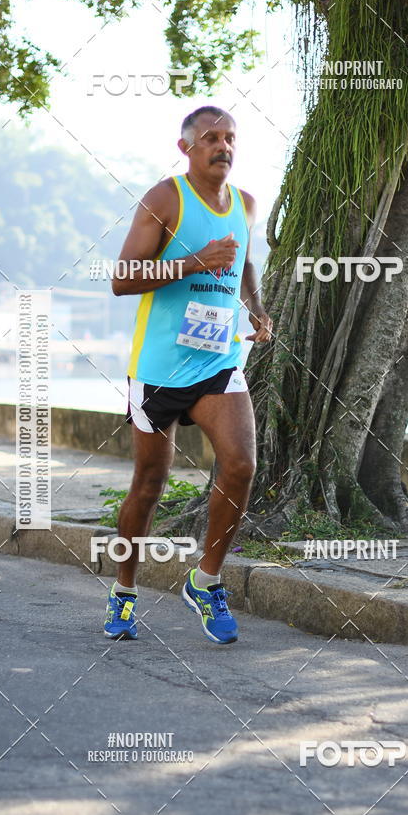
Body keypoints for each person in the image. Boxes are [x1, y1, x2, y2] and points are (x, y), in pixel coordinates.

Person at [104, 106, 272, 644]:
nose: (223, 146)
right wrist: (194, 262)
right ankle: (124, 593)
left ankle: (206, 581)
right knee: (149, 484)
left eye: (230, 138)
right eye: (211, 138)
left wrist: (256, 307)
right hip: (158, 369)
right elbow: (123, 278)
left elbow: (242, 261)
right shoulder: (165, 198)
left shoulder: (244, 204)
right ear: (187, 148)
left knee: (241, 464)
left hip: (217, 361)